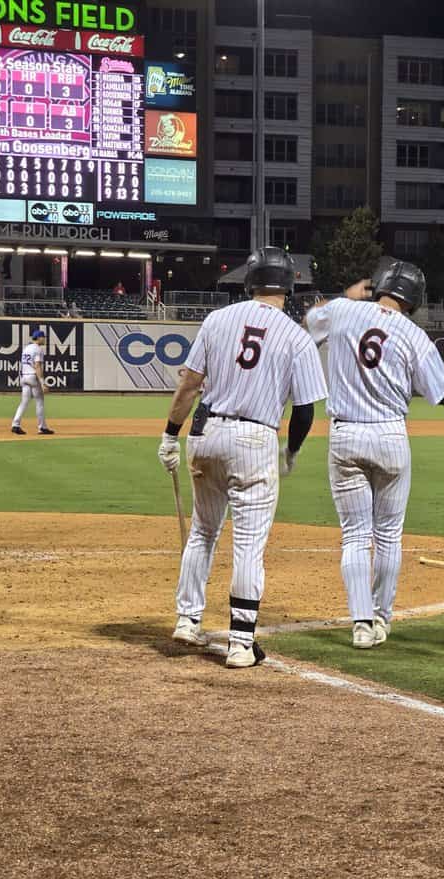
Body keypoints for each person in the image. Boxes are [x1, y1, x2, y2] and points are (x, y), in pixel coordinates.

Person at [157, 246, 327, 668]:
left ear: (250, 281)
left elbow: (190, 385)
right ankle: (240, 643)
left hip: (207, 433)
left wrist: (168, 436)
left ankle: (187, 620)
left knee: (202, 532)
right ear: (289, 286)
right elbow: (305, 410)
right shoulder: (296, 336)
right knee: (249, 545)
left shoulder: (217, 319)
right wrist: (292, 450)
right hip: (255, 439)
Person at [304, 261, 444, 648]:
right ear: (415, 298)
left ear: (381, 286)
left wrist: (345, 297)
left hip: (346, 434)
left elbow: (309, 321)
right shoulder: (416, 336)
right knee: (388, 536)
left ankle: (360, 624)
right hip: (389, 436)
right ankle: (382, 619)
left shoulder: (343, 311)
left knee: (355, 536)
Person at [10, 328, 54, 435]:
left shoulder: (26, 348)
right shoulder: (38, 349)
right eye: (43, 337)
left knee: (24, 402)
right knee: (39, 402)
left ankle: (15, 424)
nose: (44, 339)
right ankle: (42, 427)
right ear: (38, 338)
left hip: (24, 377)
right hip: (33, 377)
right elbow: (37, 366)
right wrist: (42, 382)